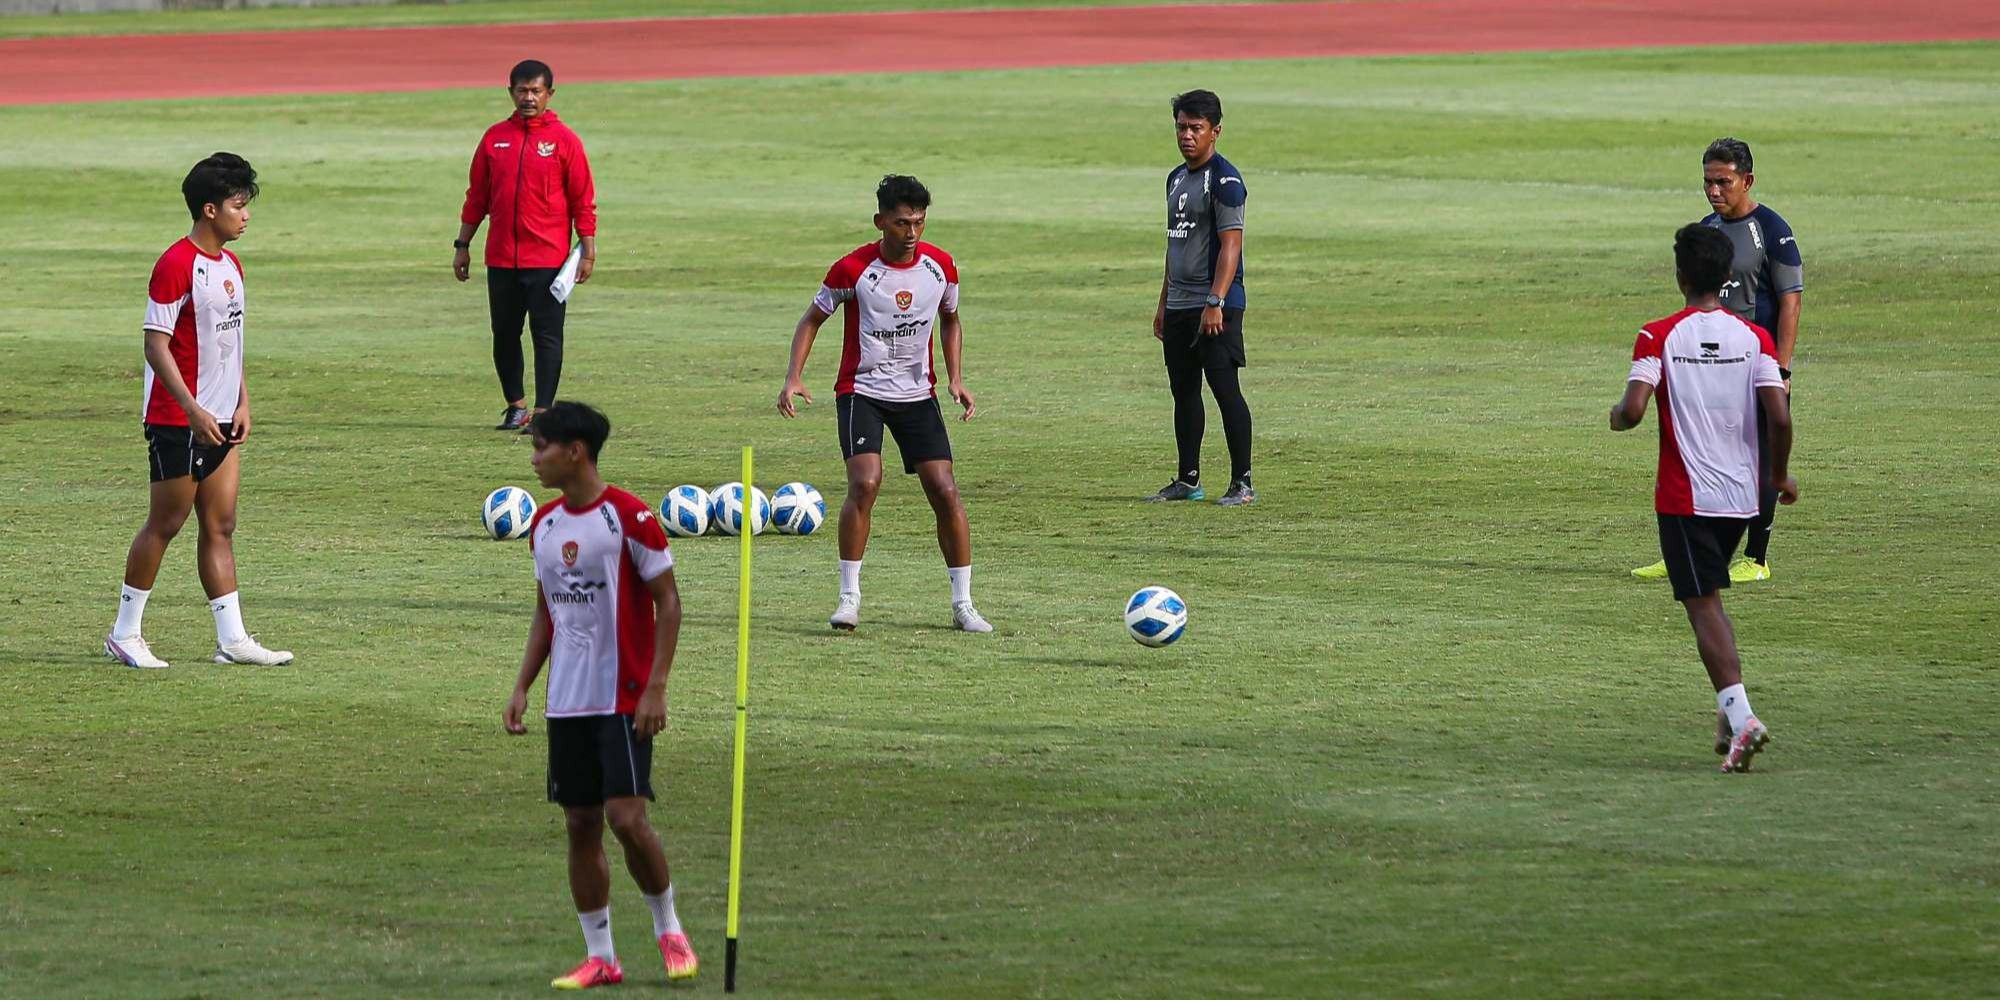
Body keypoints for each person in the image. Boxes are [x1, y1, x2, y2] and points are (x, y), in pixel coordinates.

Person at [502, 402, 698, 988]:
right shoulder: (544, 524)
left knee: (627, 818)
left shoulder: (630, 519)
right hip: (567, 700)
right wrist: (521, 685)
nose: (535, 459)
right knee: (581, 822)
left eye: (541, 448)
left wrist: (657, 687)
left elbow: (670, 603)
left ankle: (669, 929)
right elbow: (547, 613)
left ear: (575, 452)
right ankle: (602, 957)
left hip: (623, 694)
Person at [1611, 224, 1797, 773]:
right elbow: (1779, 415)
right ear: (1727, 276)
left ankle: (1743, 718)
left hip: (1685, 497)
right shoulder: (1755, 338)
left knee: (1704, 607)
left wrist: (1617, 418)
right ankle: (1726, 710)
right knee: (1713, 598)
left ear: (1680, 276)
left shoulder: (1658, 335)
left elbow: (1634, 409)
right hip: (1743, 496)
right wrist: (1779, 476)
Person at [776, 175, 992, 634]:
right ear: (881, 222)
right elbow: (812, 319)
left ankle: (963, 604)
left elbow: (951, 320)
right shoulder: (851, 270)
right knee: (865, 483)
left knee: (945, 490)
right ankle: (849, 598)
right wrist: (793, 376)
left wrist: (955, 378)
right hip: (862, 393)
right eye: (901, 223)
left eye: (919, 222)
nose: (912, 232)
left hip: (918, 395)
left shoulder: (941, 267)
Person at [104, 153, 293, 669]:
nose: (246, 215)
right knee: (165, 523)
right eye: (238, 205)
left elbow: (229, 341)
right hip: (177, 417)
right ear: (210, 210)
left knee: (221, 524)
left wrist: (242, 400)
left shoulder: (231, 264)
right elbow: (155, 344)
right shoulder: (174, 264)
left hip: (222, 417)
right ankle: (125, 633)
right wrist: (190, 409)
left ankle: (232, 640)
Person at [1634, 137, 1802, 582]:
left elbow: (1790, 302)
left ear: (1747, 180)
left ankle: (1757, 558)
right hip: (1707, 364)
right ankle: (1686, 552)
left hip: (1755, 364)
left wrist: (1782, 370)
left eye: (1723, 182)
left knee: (1757, 458)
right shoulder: (1707, 228)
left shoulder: (1772, 230)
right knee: (1698, 453)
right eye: (1707, 181)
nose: (1713, 191)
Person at [454, 58, 597, 433]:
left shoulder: (565, 141)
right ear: (510, 93)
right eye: (522, 90)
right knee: (503, 333)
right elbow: (477, 196)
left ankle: (545, 412)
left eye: (536, 91)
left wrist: (588, 249)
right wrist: (462, 243)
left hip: (548, 259)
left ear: (550, 93)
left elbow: (583, 199)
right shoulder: (494, 138)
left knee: (547, 336)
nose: (528, 97)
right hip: (501, 258)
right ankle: (515, 407)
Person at [1147, 88, 1255, 507]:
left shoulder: (1226, 181)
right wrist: (1163, 302)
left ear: (1216, 131)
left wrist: (1216, 301)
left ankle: (1242, 483)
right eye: (1181, 127)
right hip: (1179, 304)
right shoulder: (1175, 179)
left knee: (1225, 389)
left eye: (1196, 128)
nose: (1187, 135)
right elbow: (1174, 246)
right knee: (1184, 391)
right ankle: (1188, 479)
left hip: (1215, 306)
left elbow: (1231, 245)